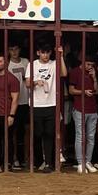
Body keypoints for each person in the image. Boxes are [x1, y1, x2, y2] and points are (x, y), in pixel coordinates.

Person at [27, 43, 66, 173]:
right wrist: (35, 82)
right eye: (43, 52)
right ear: (38, 52)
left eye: (47, 52)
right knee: (37, 134)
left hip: (51, 103)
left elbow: (64, 73)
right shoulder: (32, 65)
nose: (45, 55)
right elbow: (27, 83)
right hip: (36, 104)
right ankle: (38, 161)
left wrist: (60, 56)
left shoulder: (54, 64)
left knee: (50, 134)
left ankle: (49, 163)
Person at [68, 54, 98, 174]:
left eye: (92, 65)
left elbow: (95, 91)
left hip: (92, 109)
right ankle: (80, 163)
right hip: (80, 108)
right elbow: (71, 90)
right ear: (83, 61)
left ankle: (88, 161)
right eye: (88, 64)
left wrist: (94, 77)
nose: (90, 67)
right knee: (80, 136)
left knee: (90, 137)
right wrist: (83, 92)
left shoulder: (92, 73)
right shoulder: (75, 72)